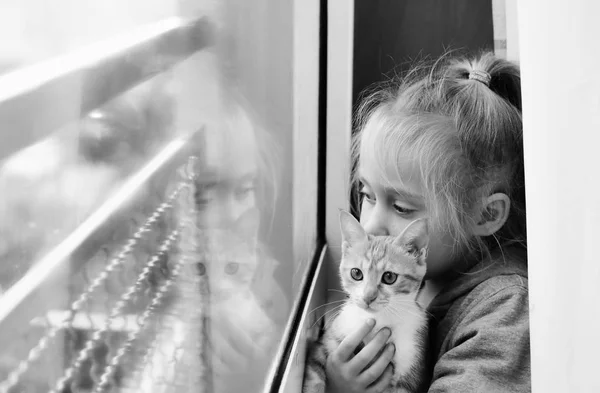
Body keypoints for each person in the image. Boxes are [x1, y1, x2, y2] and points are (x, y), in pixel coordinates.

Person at [326, 51, 529, 392]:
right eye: (366, 194)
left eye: (402, 207)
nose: (372, 226)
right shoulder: (424, 276)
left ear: (485, 214)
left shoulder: (504, 310)